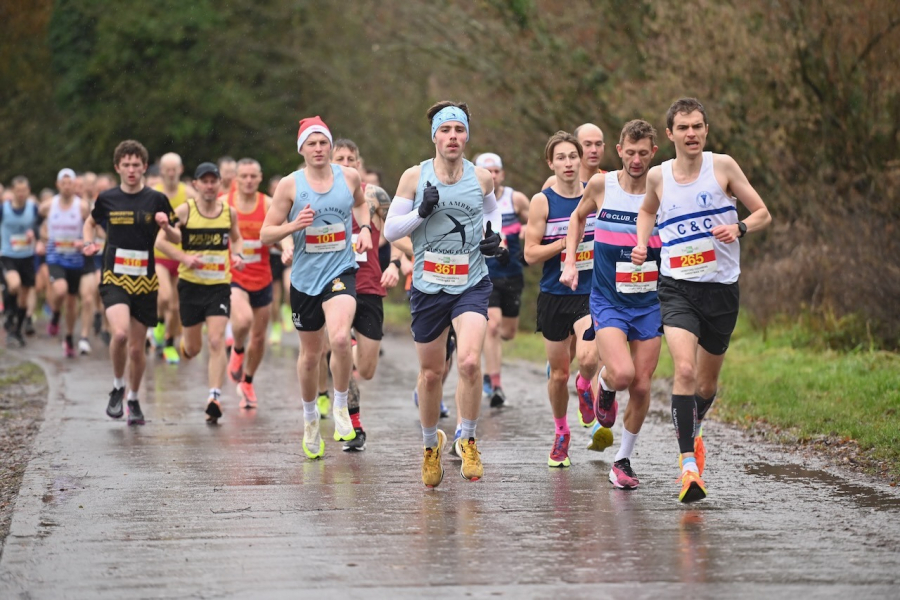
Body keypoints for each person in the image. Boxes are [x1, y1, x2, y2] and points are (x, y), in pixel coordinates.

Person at [631, 98, 772, 503]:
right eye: (684, 127)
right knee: (686, 371)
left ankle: (693, 428)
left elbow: (763, 212)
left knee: (707, 385)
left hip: (721, 290)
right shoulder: (658, 177)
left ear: (705, 130)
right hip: (676, 288)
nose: (691, 133)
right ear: (671, 134)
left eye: (698, 126)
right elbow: (646, 212)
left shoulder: (722, 166)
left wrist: (740, 227)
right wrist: (643, 243)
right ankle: (688, 467)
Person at [384, 101, 503, 487]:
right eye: (445, 130)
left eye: (459, 130)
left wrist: (494, 237)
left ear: (467, 136)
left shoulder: (482, 177)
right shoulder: (412, 177)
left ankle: (466, 438)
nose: (453, 137)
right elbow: (390, 231)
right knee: (432, 374)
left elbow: (492, 212)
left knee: (468, 362)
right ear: (434, 136)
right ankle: (429, 445)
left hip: (471, 281)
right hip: (428, 286)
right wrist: (422, 211)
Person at [260, 116, 372, 459]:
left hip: (341, 269)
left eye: (324, 142)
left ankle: (340, 405)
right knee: (310, 356)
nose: (319, 149)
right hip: (305, 279)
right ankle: (310, 420)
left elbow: (361, 203)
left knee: (339, 338)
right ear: (302, 149)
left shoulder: (349, 176)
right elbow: (266, 234)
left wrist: (365, 228)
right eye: (312, 143)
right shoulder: (290, 186)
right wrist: (294, 225)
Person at [561, 119, 662, 489]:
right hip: (608, 300)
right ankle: (603, 384)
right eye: (629, 152)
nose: (636, 160)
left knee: (642, 386)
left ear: (654, 152)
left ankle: (622, 460)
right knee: (622, 375)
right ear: (619, 151)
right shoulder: (603, 185)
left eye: (643, 153)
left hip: (649, 302)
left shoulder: (664, 190)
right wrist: (570, 260)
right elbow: (577, 217)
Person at [83, 140, 180, 425]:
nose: (131, 170)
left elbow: (176, 238)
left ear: (145, 167)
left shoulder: (156, 199)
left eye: (136, 165)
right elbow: (91, 222)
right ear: (117, 168)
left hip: (145, 281)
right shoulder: (107, 198)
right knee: (121, 334)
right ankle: (117, 386)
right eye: (126, 165)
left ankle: (134, 398)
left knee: (137, 349)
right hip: (114, 276)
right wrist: (90, 241)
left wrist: (165, 226)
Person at [524, 131, 600, 468]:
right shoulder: (543, 201)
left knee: (587, 358)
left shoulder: (596, 193)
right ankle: (561, 432)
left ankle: (585, 386)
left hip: (590, 291)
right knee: (558, 374)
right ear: (551, 163)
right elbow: (530, 253)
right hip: (555, 294)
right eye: (561, 158)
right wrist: (567, 243)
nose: (568, 163)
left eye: (573, 156)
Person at [156, 162, 244, 423]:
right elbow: (164, 240)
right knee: (193, 349)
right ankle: (184, 345)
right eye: (203, 181)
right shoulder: (185, 210)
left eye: (213, 181)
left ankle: (214, 397)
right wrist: (184, 257)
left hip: (219, 285)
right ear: (195, 184)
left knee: (216, 340)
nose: (209, 185)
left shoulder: (229, 213)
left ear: (219, 184)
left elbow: (237, 237)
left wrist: (237, 253)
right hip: (191, 286)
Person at [330, 138, 403, 450]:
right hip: (333, 285)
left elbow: (400, 230)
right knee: (340, 344)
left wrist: (397, 264)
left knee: (368, 369)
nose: (346, 163)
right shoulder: (319, 196)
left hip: (370, 286)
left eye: (351, 159)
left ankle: (351, 348)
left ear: (358, 164)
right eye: (340, 158)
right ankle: (353, 422)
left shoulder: (374, 197)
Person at [475, 152, 530, 408]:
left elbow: (538, 225)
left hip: (512, 274)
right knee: (493, 326)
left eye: (497, 171)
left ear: (502, 174)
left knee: (507, 332)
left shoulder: (515, 199)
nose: (493, 176)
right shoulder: (472, 202)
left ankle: (489, 368)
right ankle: (496, 384)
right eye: (488, 172)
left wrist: (524, 236)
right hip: (484, 275)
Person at [225, 158, 273, 409]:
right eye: (243, 176)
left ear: (260, 177)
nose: (248, 181)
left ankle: (248, 381)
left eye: (253, 176)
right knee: (242, 320)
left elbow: (280, 232)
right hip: (234, 276)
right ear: (236, 179)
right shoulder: (225, 204)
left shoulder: (268, 203)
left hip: (262, 277)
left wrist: (284, 247)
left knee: (259, 337)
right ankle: (237, 349)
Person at [41, 168, 94, 357]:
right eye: (63, 183)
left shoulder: (82, 207)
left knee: (72, 303)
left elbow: (91, 227)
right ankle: (55, 315)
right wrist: (45, 236)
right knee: (60, 290)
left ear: (74, 185)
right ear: (58, 185)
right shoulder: (48, 206)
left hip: (75, 259)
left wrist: (85, 242)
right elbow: (42, 227)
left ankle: (70, 337)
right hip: (55, 256)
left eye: (69, 183)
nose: (66, 187)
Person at [151, 153, 194, 364]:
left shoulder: (189, 193)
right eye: (166, 169)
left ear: (180, 169)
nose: (170, 173)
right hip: (159, 254)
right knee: (165, 297)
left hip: (181, 256)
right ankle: (158, 324)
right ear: (161, 171)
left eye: (173, 169)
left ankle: (169, 343)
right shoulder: (152, 193)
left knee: (177, 306)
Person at [1, 176, 41, 346]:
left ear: (28, 191)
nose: (21, 194)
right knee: (14, 285)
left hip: (27, 256)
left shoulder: (33, 208)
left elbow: (40, 226)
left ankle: (16, 331)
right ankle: (9, 313)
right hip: (8, 255)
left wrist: (35, 234)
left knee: (24, 298)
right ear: (12, 191)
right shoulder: (4, 209)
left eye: (24, 190)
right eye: (18, 191)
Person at [543, 123, 607, 188]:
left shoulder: (612, 181)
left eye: (598, 144)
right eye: (588, 144)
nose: (594, 150)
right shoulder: (555, 183)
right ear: (576, 147)